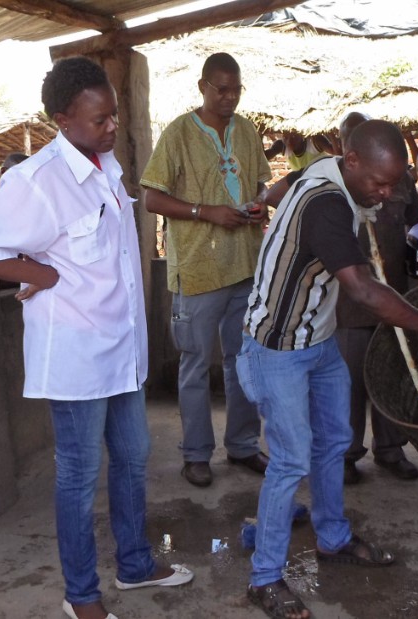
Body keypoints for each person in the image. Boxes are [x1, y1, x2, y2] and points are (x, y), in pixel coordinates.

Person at [0, 56, 193, 619]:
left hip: (123, 350)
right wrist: (36, 273)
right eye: (100, 120)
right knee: (79, 478)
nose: (112, 128)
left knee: (133, 459)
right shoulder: (36, 182)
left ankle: (134, 564)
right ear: (62, 119)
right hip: (78, 356)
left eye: (114, 116)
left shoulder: (104, 167)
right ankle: (80, 594)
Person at [239, 120, 418, 619]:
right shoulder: (326, 204)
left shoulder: (331, 169)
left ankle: (333, 539)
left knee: (333, 442)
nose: (388, 196)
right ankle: (264, 578)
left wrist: (268, 195)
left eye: (395, 184)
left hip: (318, 340)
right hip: (278, 346)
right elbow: (364, 291)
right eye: (379, 185)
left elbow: (283, 186)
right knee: (291, 459)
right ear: (351, 163)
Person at [141, 52, 270, 488]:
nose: (230, 97)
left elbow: (257, 185)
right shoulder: (178, 132)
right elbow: (151, 199)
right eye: (221, 89)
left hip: (244, 266)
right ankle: (196, 454)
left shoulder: (247, 130)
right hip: (196, 271)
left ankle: (243, 446)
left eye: (236, 89)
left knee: (243, 362)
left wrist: (256, 207)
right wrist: (205, 211)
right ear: (202, 87)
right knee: (195, 365)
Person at [333, 112, 418, 485]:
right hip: (350, 305)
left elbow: (417, 220)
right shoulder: (333, 185)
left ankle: (390, 449)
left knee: (390, 377)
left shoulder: (399, 181)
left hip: (393, 295)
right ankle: (347, 454)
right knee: (349, 383)